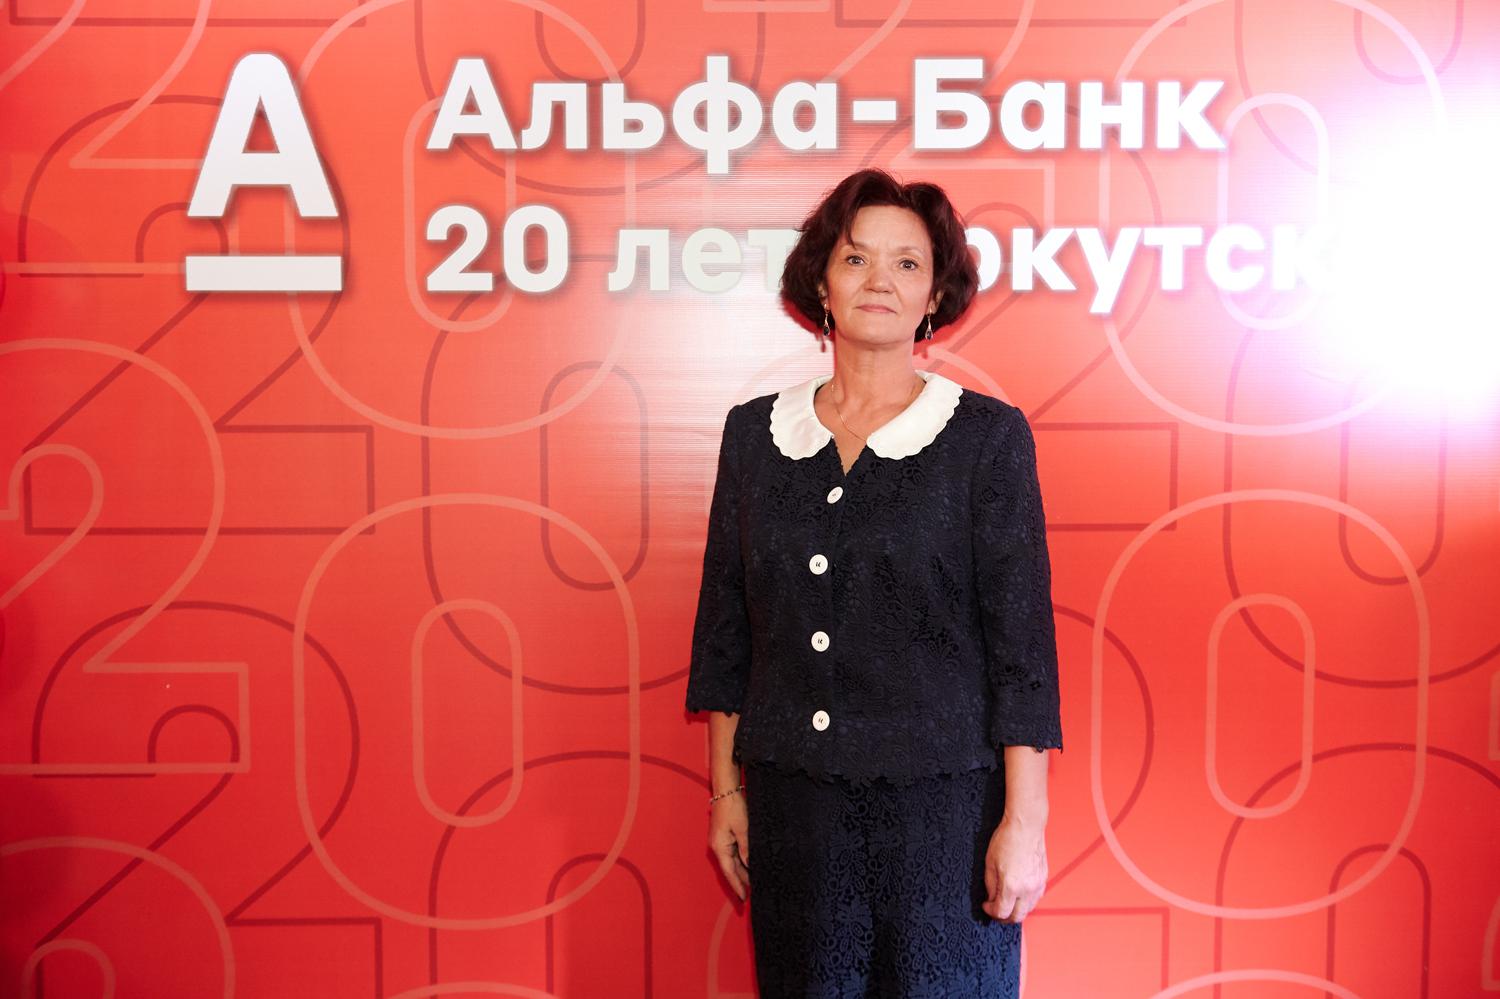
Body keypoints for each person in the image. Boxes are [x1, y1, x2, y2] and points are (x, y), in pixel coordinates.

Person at [685, 167, 1063, 997]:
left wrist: (1024, 821)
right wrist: (726, 792)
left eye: (906, 263)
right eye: (856, 259)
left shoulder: (987, 439)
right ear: (821, 283)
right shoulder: (754, 436)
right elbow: (726, 631)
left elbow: (1023, 651)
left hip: (947, 817)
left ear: (935, 295)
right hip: (796, 812)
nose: (879, 281)